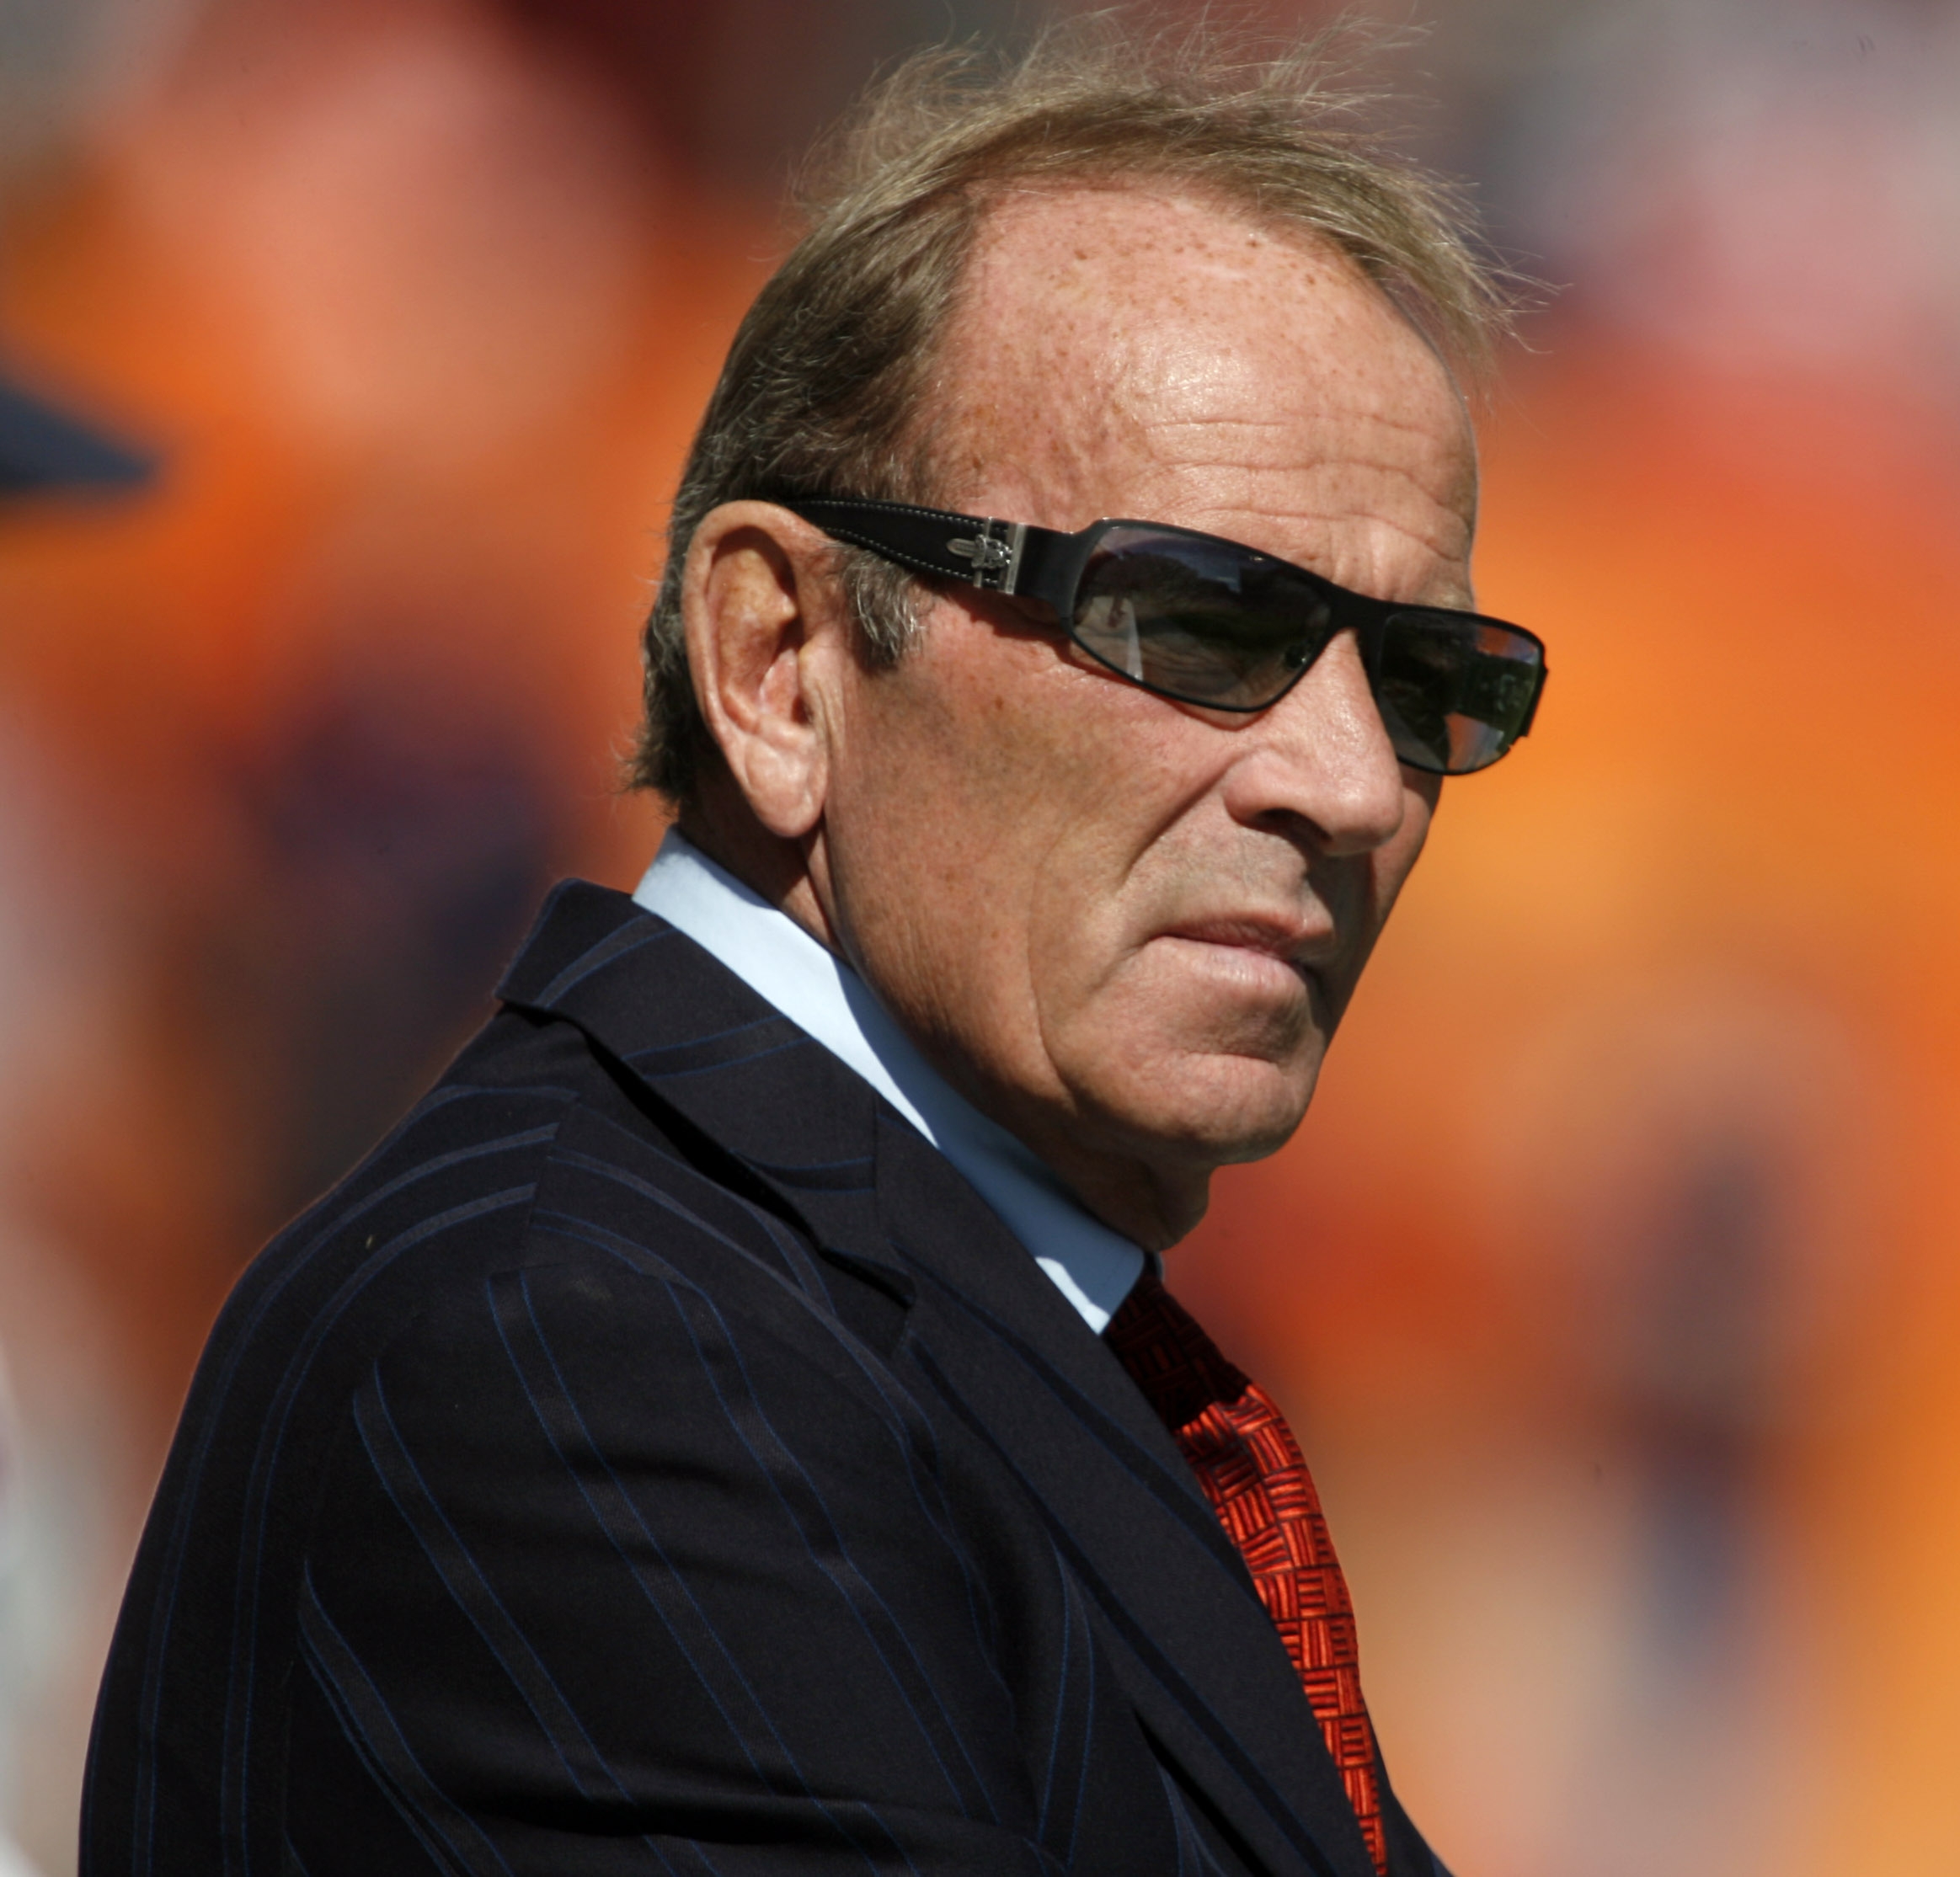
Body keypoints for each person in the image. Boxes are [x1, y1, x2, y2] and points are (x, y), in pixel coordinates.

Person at [80, 25, 1546, 1875]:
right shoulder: (574, 1340)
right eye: (1194, 617)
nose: (1352, 781)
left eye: (1427, 681)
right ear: (779, 664)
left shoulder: (966, 1322)